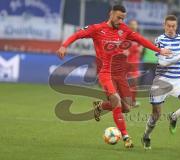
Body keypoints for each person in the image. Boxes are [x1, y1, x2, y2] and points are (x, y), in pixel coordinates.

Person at [56, 5, 171, 148]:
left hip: (119, 74)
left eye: (123, 18)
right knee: (116, 100)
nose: (121, 20)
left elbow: (141, 40)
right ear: (111, 14)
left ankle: (100, 106)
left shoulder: (124, 29)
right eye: (118, 17)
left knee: (127, 108)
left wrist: (159, 50)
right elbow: (77, 34)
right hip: (104, 73)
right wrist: (64, 45)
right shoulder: (97, 29)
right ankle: (126, 136)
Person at [141, 15, 180, 150]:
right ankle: (146, 136)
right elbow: (162, 62)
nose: (171, 28)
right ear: (164, 25)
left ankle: (174, 117)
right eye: (168, 26)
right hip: (161, 80)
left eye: (173, 26)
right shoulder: (160, 40)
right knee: (156, 114)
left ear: (176, 26)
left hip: (177, 79)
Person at [126, 19, 143, 104]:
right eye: (131, 24)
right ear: (129, 26)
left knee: (135, 84)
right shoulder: (126, 36)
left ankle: (132, 101)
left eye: (135, 24)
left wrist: (138, 49)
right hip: (126, 63)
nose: (133, 26)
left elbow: (141, 48)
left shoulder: (138, 36)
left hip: (135, 64)